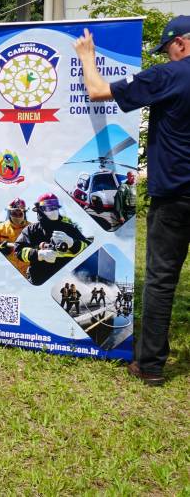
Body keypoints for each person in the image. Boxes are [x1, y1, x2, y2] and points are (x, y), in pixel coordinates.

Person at [77, 19, 190, 383]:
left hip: (175, 197)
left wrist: (87, 56)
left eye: (168, 49)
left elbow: (96, 91)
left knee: (161, 279)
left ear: (180, 45)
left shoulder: (169, 75)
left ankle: (151, 365)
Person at [12, 193, 91, 286]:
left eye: (56, 207)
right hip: (38, 279)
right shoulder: (31, 230)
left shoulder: (70, 228)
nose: (54, 211)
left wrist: (73, 244)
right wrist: (39, 254)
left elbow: (88, 249)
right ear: (40, 210)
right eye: (50, 208)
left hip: (64, 280)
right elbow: (18, 250)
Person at [0, 198, 30, 276]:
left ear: (24, 213)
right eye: (14, 213)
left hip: (26, 271)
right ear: (9, 213)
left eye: (20, 213)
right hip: (6, 271)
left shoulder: (31, 228)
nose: (17, 216)